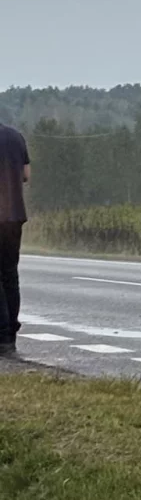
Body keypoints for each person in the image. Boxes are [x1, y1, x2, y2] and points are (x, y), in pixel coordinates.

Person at [0, 121, 30, 355]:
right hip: (14, 216)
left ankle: (1, 334)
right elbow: (26, 174)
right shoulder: (16, 136)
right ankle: (10, 333)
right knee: (10, 274)